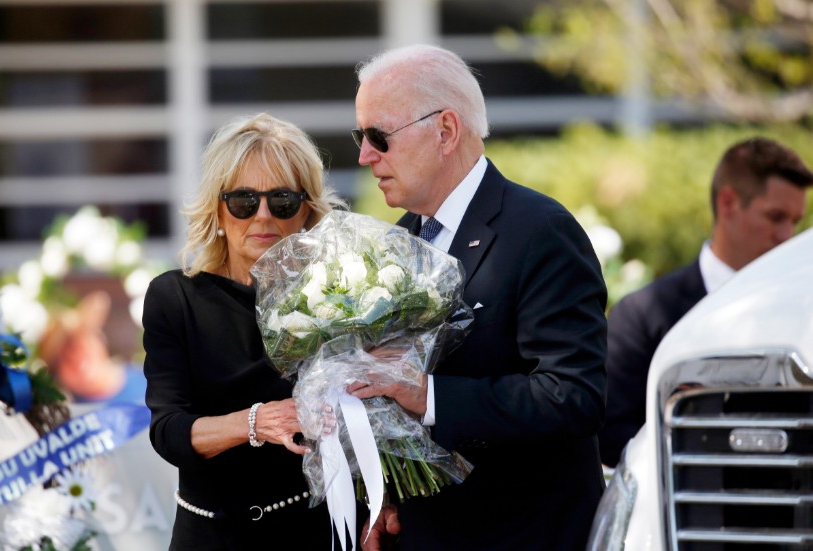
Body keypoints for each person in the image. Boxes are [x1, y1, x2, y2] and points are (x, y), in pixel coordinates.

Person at [347, 44, 608, 551]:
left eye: (379, 136)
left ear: (445, 130)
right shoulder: (398, 242)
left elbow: (573, 397)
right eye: (361, 137)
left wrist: (428, 394)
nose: (364, 155)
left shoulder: (540, 231)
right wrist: (386, 499)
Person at [142, 112, 347, 550]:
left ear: (306, 211)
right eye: (243, 201)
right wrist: (257, 423)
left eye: (283, 201)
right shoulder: (175, 298)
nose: (263, 216)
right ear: (217, 209)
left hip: (314, 531)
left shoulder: (339, 298)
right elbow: (169, 431)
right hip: (209, 536)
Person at [599, 137, 813, 467]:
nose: (787, 235)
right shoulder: (643, 315)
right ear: (728, 203)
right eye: (775, 217)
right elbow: (610, 435)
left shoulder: (805, 311)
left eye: (795, 222)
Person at [38, 291, 147, 404]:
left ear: (99, 340)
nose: (75, 358)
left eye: (76, 344)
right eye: (62, 359)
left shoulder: (149, 376)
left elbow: (100, 299)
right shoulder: (72, 415)